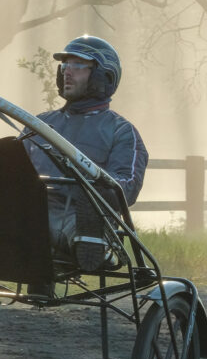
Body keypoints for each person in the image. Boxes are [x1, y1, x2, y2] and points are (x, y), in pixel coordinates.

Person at [20, 35, 147, 271]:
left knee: (84, 220)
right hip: (32, 210)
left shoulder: (121, 131)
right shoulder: (39, 124)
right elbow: (13, 166)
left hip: (81, 214)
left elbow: (126, 189)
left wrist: (90, 188)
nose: (68, 72)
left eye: (78, 66)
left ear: (103, 76)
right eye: (65, 65)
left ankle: (94, 243)